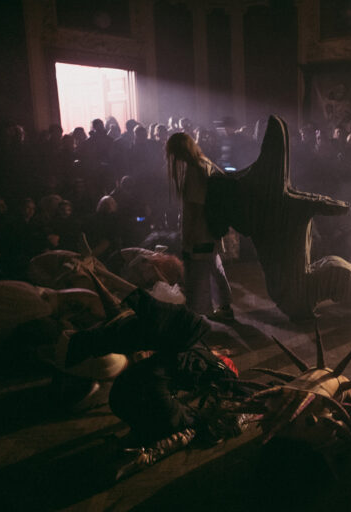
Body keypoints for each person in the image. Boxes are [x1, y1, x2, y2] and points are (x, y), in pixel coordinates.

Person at [64, 281, 245, 479]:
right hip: (139, 392)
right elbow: (164, 390)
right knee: (183, 423)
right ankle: (142, 443)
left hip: (121, 395)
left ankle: (138, 439)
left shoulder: (182, 344)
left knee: (170, 417)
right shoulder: (193, 356)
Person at [165, 132, 234, 320]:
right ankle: (225, 306)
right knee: (214, 266)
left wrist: (188, 236)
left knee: (199, 273)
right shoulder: (205, 163)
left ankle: (202, 312)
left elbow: (196, 207)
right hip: (211, 229)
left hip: (200, 232)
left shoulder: (193, 171)